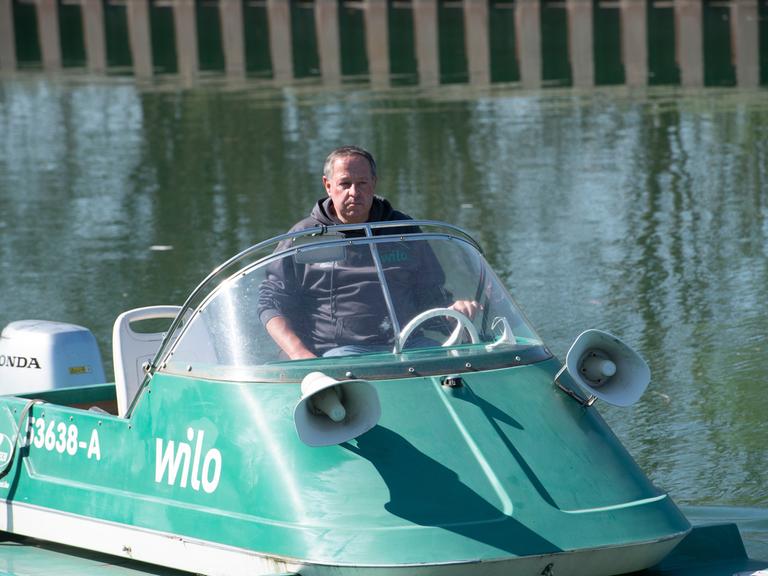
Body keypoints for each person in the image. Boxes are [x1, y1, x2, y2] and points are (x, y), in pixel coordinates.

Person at [258, 146, 478, 359]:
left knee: (455, 372)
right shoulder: (305, 237)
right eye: (345, 184)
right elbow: (271, 301)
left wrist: (455, 310)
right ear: (328, 185)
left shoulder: (402, 229)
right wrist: (298, 353)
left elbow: (430, 292)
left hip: (410, 342)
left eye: (362, 183)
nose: (354, 192)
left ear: (374, 183)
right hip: (341, 351)